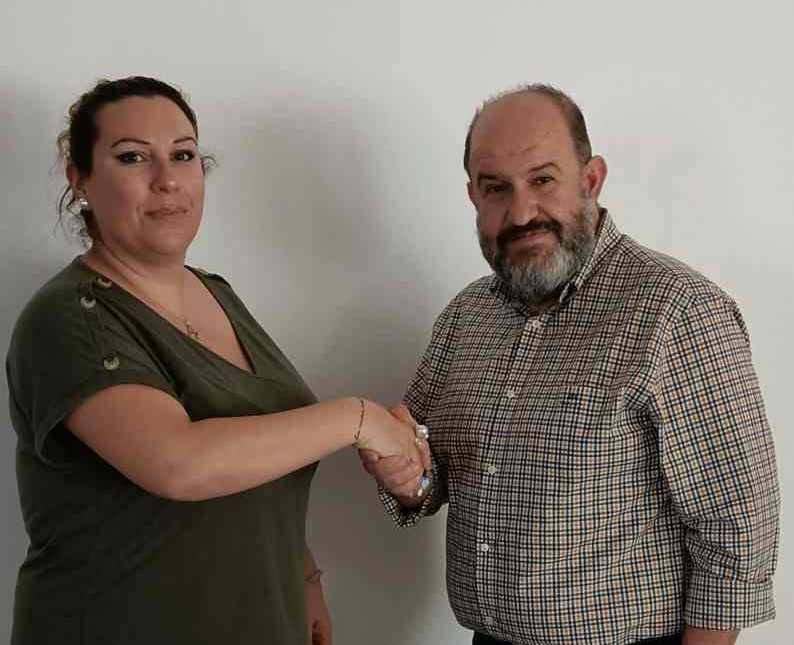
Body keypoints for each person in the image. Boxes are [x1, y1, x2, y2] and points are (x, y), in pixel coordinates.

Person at [6, 76, 428, 645]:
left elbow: (260, 453)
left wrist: (302, 576)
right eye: (132, 157)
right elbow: (177, 463)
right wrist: (357, 418)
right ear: (79, 179)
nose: (167, 179)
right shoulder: (68, 317)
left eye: (183, 155)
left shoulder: (216, 292)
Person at [361, 85, 780, 645]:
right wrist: (409, 478)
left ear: (591, 179)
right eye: (496, 188)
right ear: (473, 197)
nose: (521, 213)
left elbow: (737, 528)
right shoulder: (465, 316)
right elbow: (432, 469)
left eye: (542, 180)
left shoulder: (677, 311)